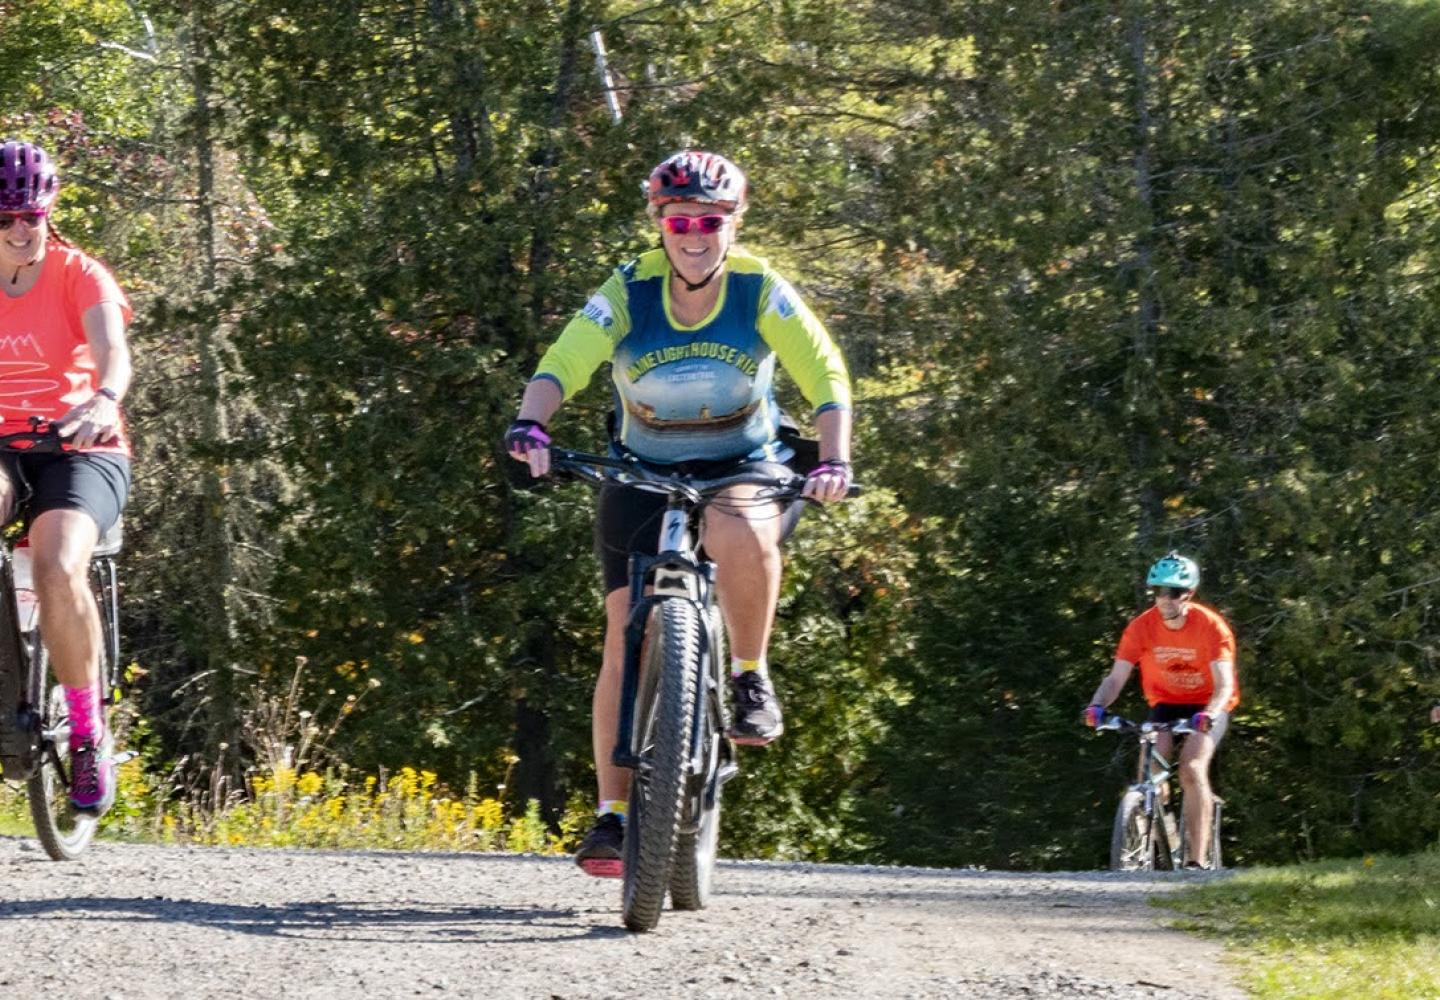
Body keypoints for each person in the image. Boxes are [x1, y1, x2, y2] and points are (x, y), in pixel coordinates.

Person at [504, 150, 852, 876]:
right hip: (642, 466)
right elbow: (564, 360)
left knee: (738, 525)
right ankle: (613, 815)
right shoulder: (630, 289)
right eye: (680, 220)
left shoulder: (759, 288)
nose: (695, 236)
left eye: (712, 221)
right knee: (623, 630)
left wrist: (833, 456)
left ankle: (750, 676)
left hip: (742, 461)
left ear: (735, 222)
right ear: (659, 224)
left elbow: (822, 369)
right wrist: (531, 424)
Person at [0, 139, 133, 814]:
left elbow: (113, 353)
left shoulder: (81, 274)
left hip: (82, 446)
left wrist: (103, 397)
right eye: (6, 219)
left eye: (32, 214)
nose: (22, 230)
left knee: (56, 563)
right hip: (3, 448)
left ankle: (87, 735)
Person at [1082, 552, 1237, 869]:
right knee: (1150, 770)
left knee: (1191, 769)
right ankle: (1145, 835)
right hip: (1166, 704)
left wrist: (1209, 714)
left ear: (1189, 594)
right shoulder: (1141, 627)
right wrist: (1097, 706)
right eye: (1159, 591)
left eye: (1174, 592)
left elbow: (1224, 685)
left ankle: (1197, 860)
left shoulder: (1211, 627)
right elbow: (1115, 678)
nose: (1165, 599)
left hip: (1208, 705)